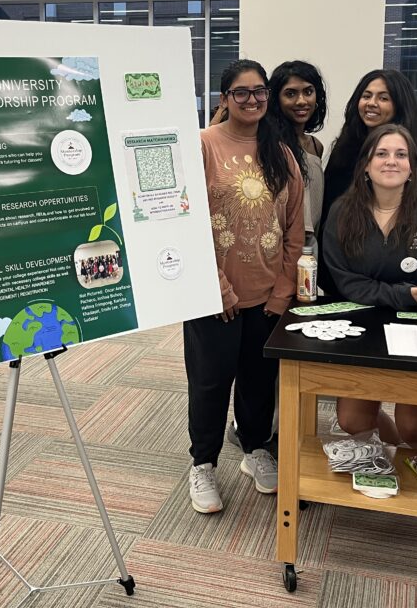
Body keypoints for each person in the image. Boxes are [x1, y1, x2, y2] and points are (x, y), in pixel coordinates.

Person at [184, 59, 305, 514]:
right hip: (212, 294)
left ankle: (255, 450)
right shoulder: (202, 145)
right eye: (241, 92)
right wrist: (215, 286)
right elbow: (186, 222)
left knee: (259, 381)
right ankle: (203, 464)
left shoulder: (281, 151)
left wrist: (283, 289)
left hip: (266, 295)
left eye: (259, 92)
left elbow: (294, 227)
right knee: (211, 382)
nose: (251, 100)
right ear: (224, 99)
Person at [322, 124, 417, 449]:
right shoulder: (342, 211)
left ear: (412, 167)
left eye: (401, 154)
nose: (391, 161)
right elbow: (345, 281)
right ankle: (388, 438)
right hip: (362, 325)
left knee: (414, 429)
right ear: (366, 165)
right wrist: (403, 294)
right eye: (381, 154)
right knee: (352, 421)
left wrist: (395, 295)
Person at [319, 69, 417, 292]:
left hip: (392, 269)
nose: (371, 103)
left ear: (399, 105)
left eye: (383, 98)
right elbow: (329, 206)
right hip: (345, 264)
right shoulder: (345, 147)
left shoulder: (408, 153)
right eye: (366, 96)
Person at [267, 60, 328, 246]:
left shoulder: (316, 146)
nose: (301, 101)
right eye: (290, 94)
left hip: (311, 249)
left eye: (308, 92)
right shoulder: (271, 146)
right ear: (276, 99)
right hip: (282, 247)